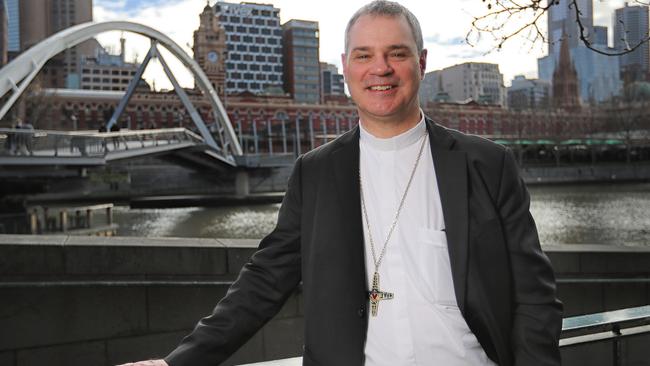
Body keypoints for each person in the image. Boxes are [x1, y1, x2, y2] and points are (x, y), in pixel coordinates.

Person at [121, 1, 562, 366]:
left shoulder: (487, 164)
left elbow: (535, 298)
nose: (381, 69)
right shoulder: (314, 173)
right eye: (364, 55)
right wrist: (177, 362)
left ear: (421, 62)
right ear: (347, 68)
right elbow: (264, 281)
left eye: (398, 53)